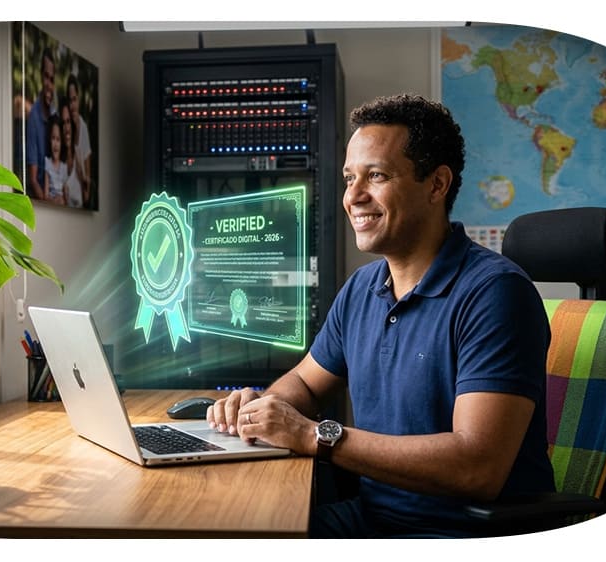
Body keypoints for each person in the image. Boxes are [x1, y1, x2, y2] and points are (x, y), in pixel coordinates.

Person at [207, 93, 555, 538]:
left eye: (376, 176)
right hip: (371, 519)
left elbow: (477, 467)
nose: (353, 196)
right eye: (350, 177)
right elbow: (305, 383)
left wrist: (314, 436)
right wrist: (260, 408)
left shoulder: (496, 293)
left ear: (437, 185)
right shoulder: (362, 289)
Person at [24, 48, 57, 200]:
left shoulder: (56, 116)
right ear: (40, 77)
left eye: (52, 79)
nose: (49, 84)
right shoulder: (33, 119)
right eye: (46, 77)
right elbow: (33, 179)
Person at [64, 73, 92, 207]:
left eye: (74, 99)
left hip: (79, 199)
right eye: (70, 100)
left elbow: (87, 176)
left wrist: (84, 181)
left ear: (79, 99)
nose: (72, 105)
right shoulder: (65, 127)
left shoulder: (84, 129)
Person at [60, 105, 84, 208]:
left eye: (68, 121)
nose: (66, 128)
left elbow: (85, 195)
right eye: (63, 123)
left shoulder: (78, 154)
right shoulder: (57, 158)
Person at [43, 114, 68, 206]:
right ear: (50, 140)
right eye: (53, 138)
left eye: (58, 140)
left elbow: (66, 197)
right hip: (52, 204)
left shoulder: (64, 167)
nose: (55, 144)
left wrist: (63, 201)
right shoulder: (47, 163)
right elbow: (45, 195)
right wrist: (54, 201)